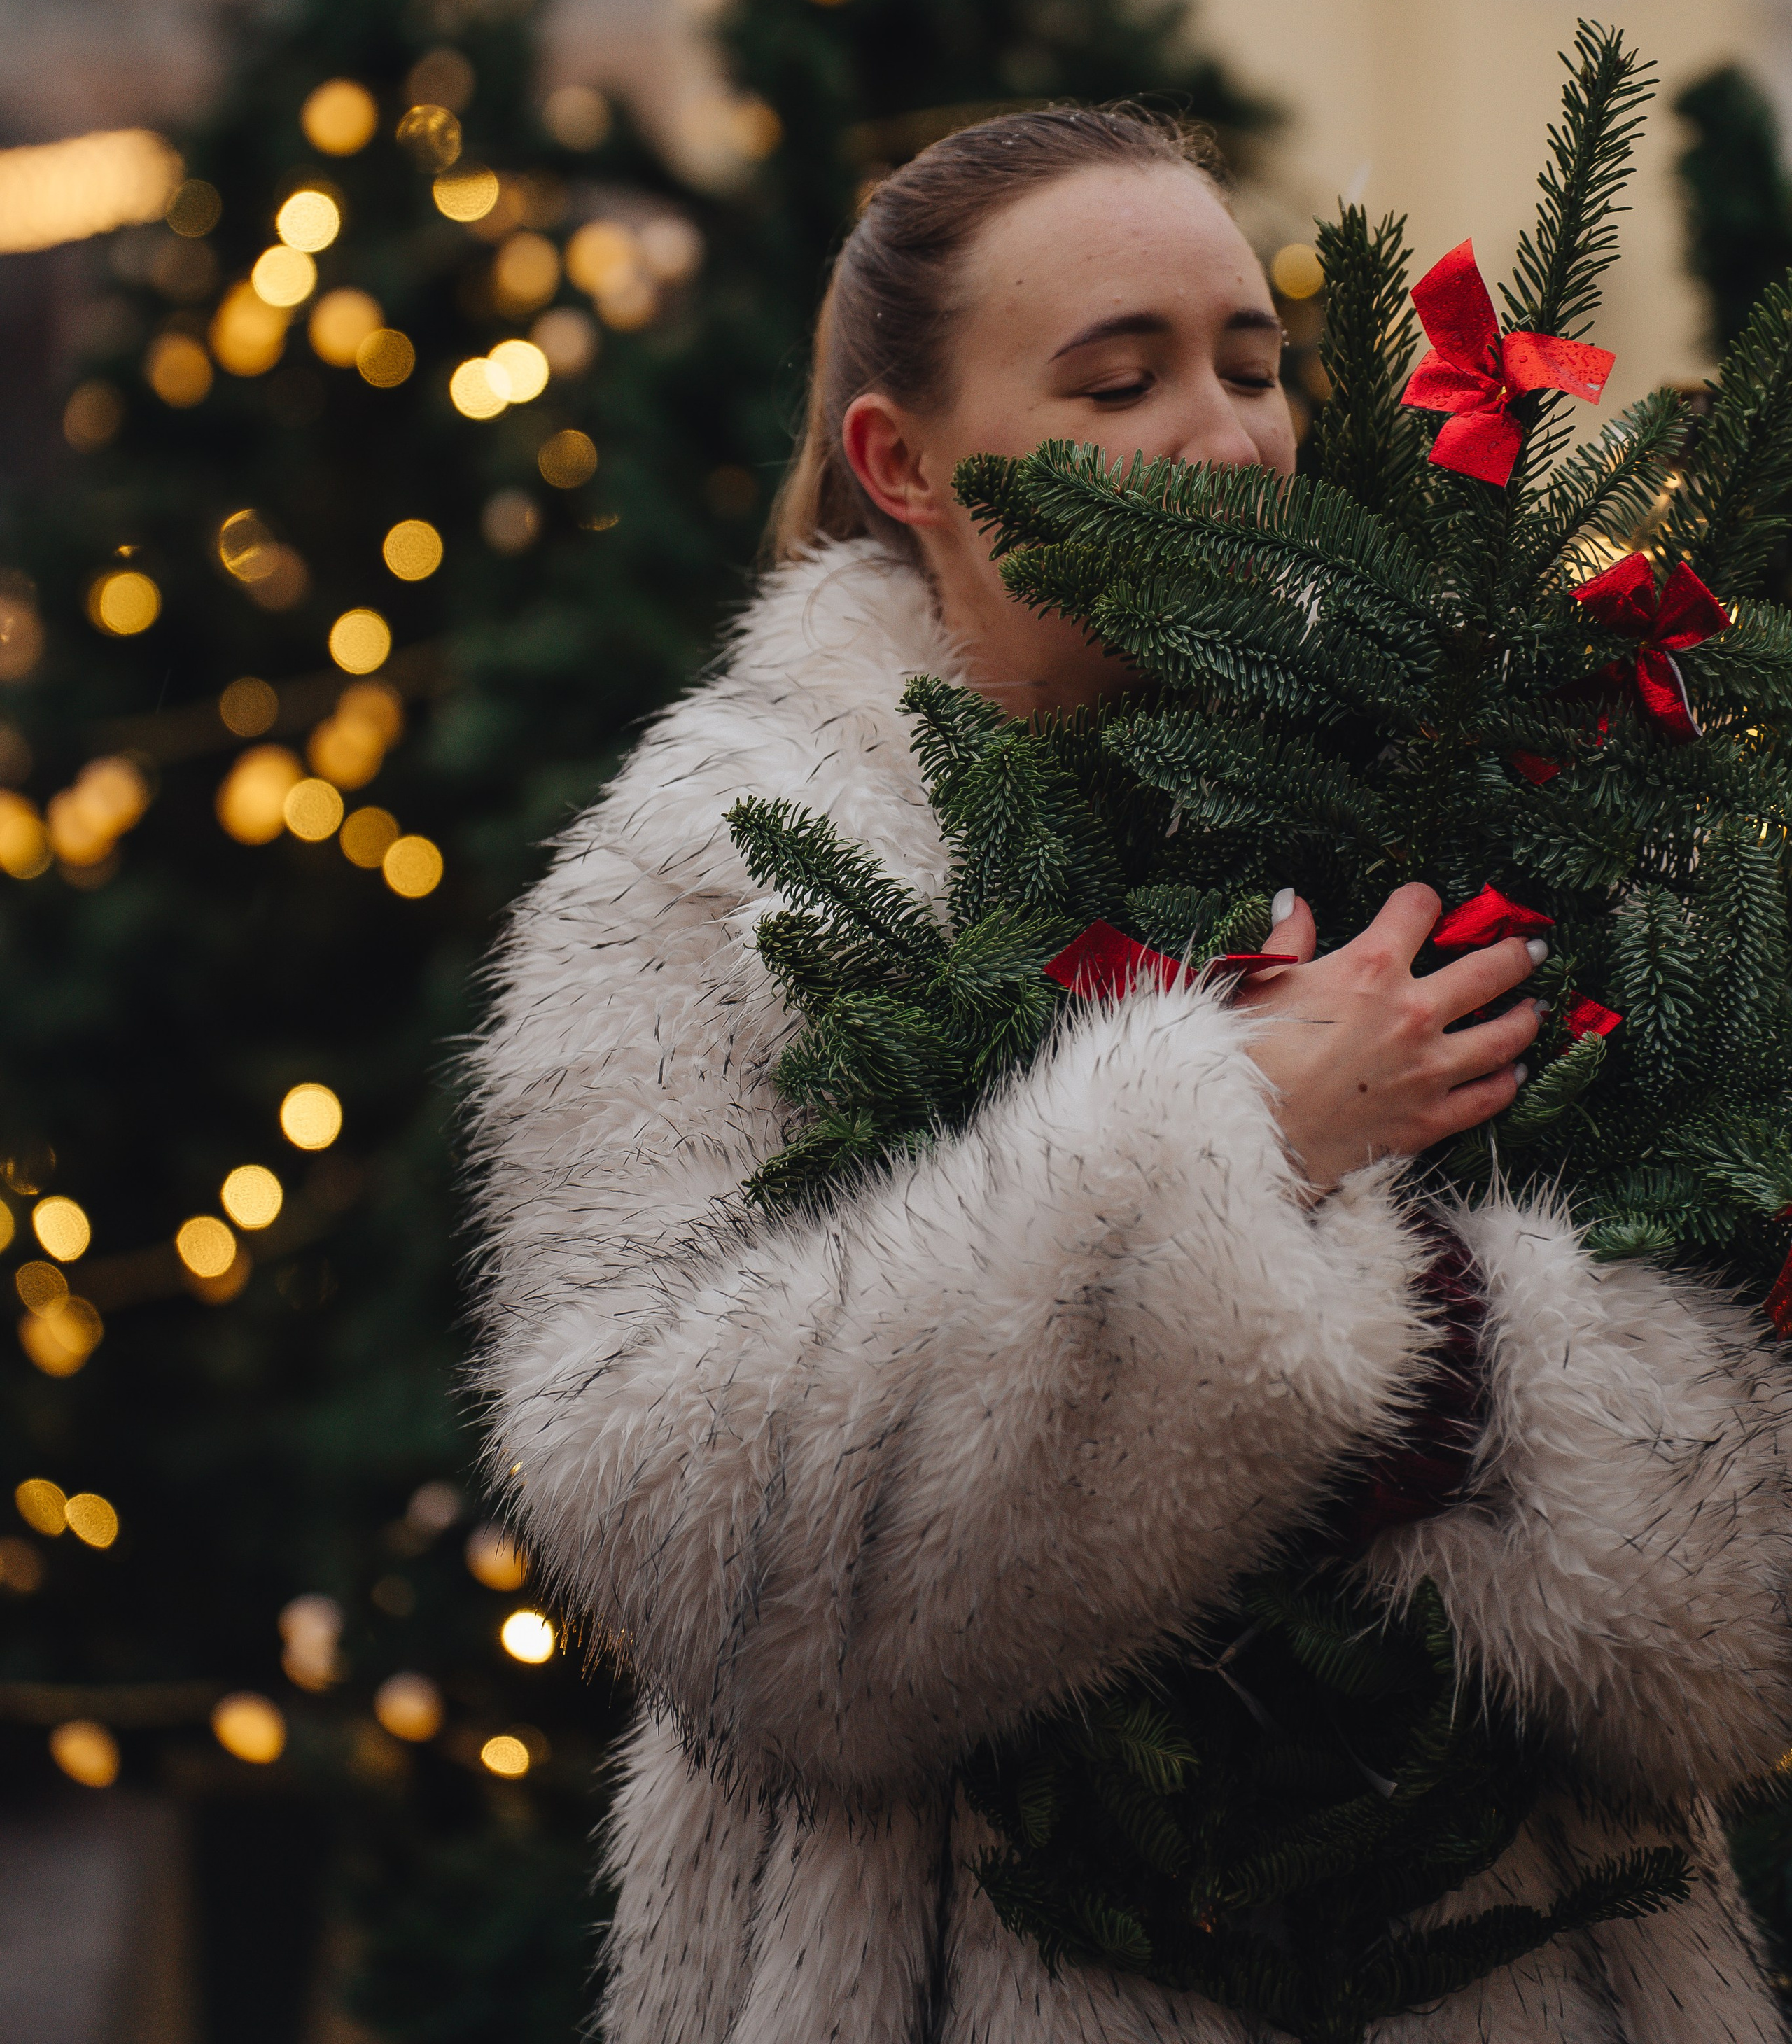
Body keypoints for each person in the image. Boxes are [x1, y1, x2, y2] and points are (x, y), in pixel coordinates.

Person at [468, 106, 1792, 2044]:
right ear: (901, 460)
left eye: (1256, 365)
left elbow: (1748, 1614)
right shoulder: (709, 871)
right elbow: (700, 1556)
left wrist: (1448, 1338)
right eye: (1121, 376)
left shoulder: (1515, 791)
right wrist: (1229, 1148)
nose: (1227, 431)